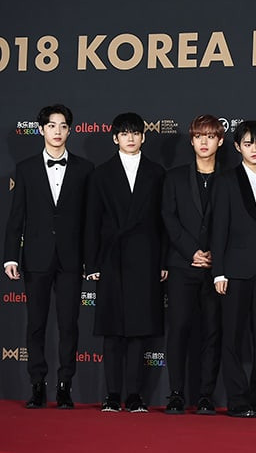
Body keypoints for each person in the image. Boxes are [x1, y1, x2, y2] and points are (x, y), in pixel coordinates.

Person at [3, 104, 93, 409]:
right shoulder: (26, 168)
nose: (57, 131)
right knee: (36, 324)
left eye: (63, 126)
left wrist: (91, 260)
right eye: (51, 126)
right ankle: (37, 385)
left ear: (70, 130)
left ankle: (65, 385)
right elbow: (16, 217)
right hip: (36, 257)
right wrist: (11, 257)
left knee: (69, 325)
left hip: (71, 258)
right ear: (41, 129)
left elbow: (90, 220)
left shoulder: (85, 169)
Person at [84, 112, 167, 413]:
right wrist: (92, 263)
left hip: (146, 257)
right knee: (112, 329)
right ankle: (111, 394)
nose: (130, 138)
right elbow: (92, 222)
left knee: (138, 329)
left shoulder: (157, 173)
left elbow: (164, 222)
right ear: (114, 137)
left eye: (135, 132)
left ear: (144, 136)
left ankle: (134, 395)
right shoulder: (100, 174)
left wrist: (163, 260)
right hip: (111, 257)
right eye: (124, 133)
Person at [211, 120, 256, 418]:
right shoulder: (226, 181)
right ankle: (238, 399)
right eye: (248, 143)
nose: (254, 149)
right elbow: (219, 229)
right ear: (237, 146)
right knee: (231, 337)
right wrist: (218, 272)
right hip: (234, 271)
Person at [161, 115, 224, 415]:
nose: (204, 142)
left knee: (212, 331)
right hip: (182, 265)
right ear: (191, 140)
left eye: (210, 136)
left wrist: (214, 254)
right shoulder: (174, 177)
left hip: (217, 269)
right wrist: (192, 251)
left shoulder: (231, 178)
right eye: (199, 136)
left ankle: (205, 395)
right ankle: (175, 393)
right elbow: (169, 218)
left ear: (220, 141)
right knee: (179, 329)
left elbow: (233, 221)